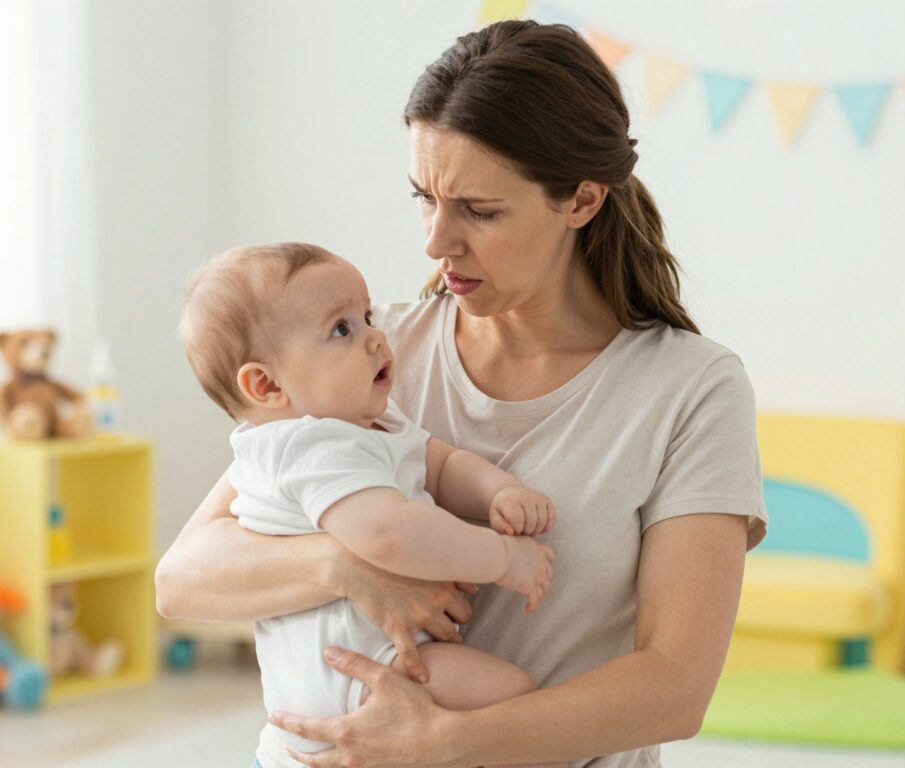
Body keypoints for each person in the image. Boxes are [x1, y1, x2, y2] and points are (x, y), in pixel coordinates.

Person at [156, 19, 768, 768]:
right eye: (425, 197)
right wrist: (344, 564)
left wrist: (447, 743)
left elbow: (675, 688)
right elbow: (181, 579)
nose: (435, 241)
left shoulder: (691, 390)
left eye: (479, 210)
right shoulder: (369, 354)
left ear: (581, 200)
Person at [178, 243, 560, 768]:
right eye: (342, 329)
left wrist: (499, 491)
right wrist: (504, 557)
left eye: (367, 317)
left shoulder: (367, 421)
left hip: (360, 665)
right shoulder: (310, 445)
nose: (375, 337)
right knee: (510, 702)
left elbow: (442, 465)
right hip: (349, 677)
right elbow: (389, 535)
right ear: (266, 384)